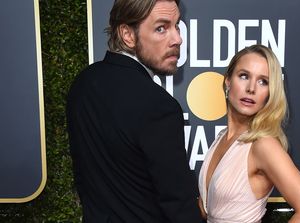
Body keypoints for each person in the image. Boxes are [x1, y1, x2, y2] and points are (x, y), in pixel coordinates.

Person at [66, 0, 202, 222]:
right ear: (127, 35)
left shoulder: (83, 84)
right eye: (161, 28)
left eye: (177, 26)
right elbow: (178, 203)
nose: (177, 39)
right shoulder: (160, 106)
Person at [198, 44, 300, 223]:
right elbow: (209, 211)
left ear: (270, 92)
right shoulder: (221, 138)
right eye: (244, 76)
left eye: (263, 81)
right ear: (227, 81)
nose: (251, 88)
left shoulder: (263, 145)